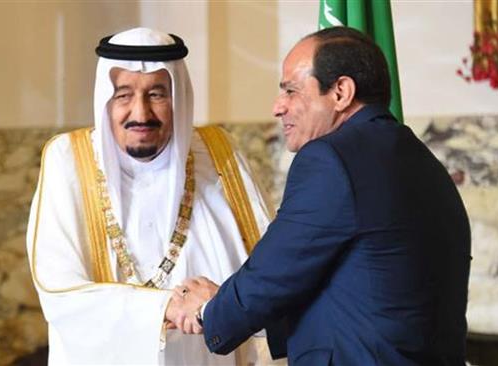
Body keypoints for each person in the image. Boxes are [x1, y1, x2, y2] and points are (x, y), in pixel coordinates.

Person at [171, 26, 472, 365]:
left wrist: (207, 311)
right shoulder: (423, 160)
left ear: (341, 92)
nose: (277, 107)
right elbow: (359, 291)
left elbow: (274, 274)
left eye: (291, 90)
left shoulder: (331, 159)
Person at [25, 27, 273, 365]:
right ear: (105, 100)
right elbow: (59, 291)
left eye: (157, 94)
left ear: (179, 98)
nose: (140, 114)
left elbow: (267, 273)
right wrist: (164, 307)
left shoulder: (218, 154)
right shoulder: (68, 160)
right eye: (123, 95)